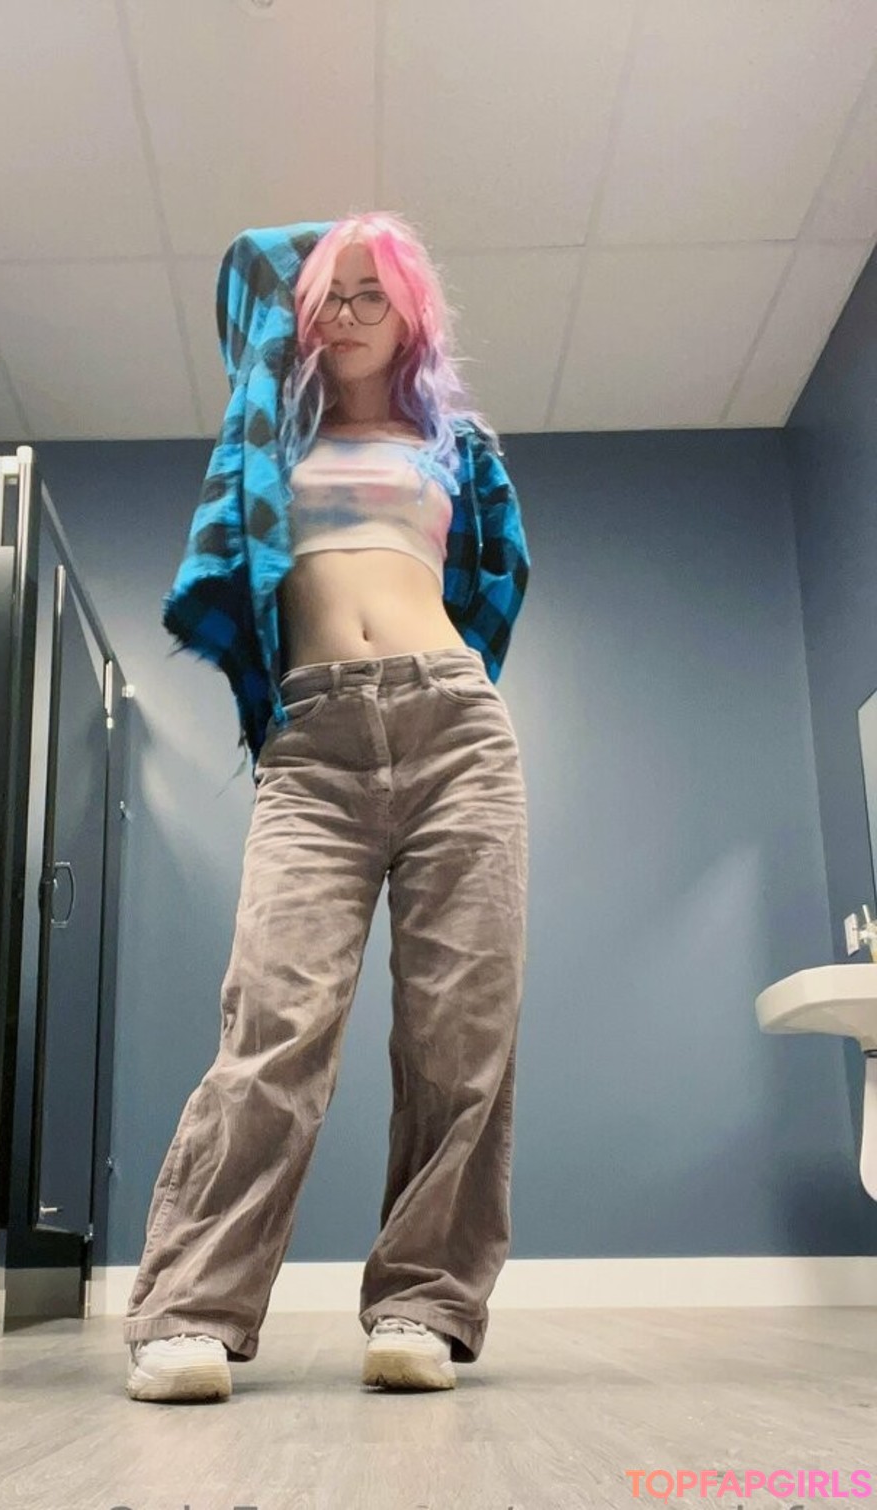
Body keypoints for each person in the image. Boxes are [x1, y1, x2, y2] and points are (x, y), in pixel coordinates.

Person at [124, 211, 530, 1404]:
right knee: (275, 1026)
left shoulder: (457, 445)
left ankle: (424, 1304)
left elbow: (493, 585)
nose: (347, 311)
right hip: (314, 750)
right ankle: (191, 1311)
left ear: (412, 313)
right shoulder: (271, 427)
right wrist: (346, 242)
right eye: (329, 295)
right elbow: (242, 264)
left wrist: (378, 249)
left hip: (456, 731)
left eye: (373, 292)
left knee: (461, 1039)